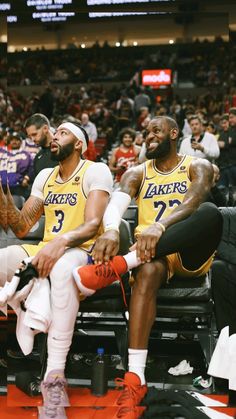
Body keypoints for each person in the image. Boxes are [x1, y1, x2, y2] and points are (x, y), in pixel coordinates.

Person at [73, 116, 223, 418]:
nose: (149, 136)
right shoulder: (137, 172)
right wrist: (113, 229)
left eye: (156, 130)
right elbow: (116, 203)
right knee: (148, 271)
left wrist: (159, 226)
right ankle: (135, 380)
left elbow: (194, 201)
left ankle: (120, 265)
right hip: (151, 256)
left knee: (209, 213)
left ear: (173, 133)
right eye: (146, 132)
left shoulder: (197, 165)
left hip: (187, 253)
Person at [0, 121, 113, 419]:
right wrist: (2, 200)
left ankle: (54, 381)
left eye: (62, 133)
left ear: (79, 143)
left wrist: (60, 243)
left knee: (62, 268)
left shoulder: (95, 170)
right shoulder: (45, 175)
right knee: (2, 260)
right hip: (48, 248)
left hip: (83, 252)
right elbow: (23, 226)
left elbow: (92, 225)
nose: (54, 137)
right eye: (55, 132)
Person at [24, 113, 58, 178]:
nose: (32, 139)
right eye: (30, 136)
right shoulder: (37, 158)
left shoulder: (64, 149)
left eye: (34, 134)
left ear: (45, 128)